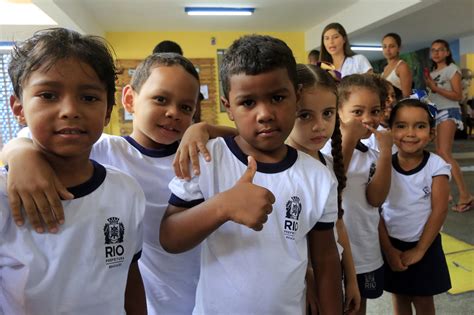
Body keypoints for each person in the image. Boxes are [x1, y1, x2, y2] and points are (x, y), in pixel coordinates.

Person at [1, 52, 237, 314]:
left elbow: (245, 137)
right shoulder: (106, 149)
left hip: (203, 296)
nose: (173, 113)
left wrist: (203, 129)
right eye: (160, 99)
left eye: (186, 108)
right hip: (144, 298)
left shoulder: (198, 153)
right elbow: (26, 136)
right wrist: (20, 154)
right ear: (129, 99)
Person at [160, 34, 343, 314]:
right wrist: (223, 206)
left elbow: (326, 259)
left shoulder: (318, 177)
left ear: (296, 97)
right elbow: (170, 237)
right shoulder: (207, 158)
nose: (265, 114)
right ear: (228, 107)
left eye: (278, 97)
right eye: (248, 102)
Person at [0, 28, 146, 314]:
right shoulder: (5, 196)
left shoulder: (126, 192)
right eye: (48, 95)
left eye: (89, 98)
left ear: (107, 112)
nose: (69, 110)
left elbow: (129, 275)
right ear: (18, 108)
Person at [286, 64, 361, 314]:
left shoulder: (327, 165)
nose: (319, 126)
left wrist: (351, 277)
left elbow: (338, 224)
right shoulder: (275, 168)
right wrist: (307, 277)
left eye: (328, 113)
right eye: (305, 115)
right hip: (295, 284)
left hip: (330, 275)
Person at [322, 73, 393, 315]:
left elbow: (376, 199)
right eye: (357, 112)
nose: (367, 119)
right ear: (338, 111)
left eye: (375, 111)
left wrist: (385, 153)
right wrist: (349, 138)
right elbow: (333, 187)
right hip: (331, 250)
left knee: (358, 307)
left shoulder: (370, 155)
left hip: (364, 249)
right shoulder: (321, 150)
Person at [379, 98, 451, 315]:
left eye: (420, 126)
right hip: (392, 243)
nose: (410, 133)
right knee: (399, 297)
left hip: (425, 244)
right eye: (401, 126)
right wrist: (389, 250)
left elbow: (440, 210)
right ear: (390, 130)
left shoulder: (436, 165)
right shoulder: (383, 164)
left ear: (431, 133)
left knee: (423, 300)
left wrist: (420, 250)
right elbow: (374, 210)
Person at [424, 39, 472, 212]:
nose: (436, 53)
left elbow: (457, 95)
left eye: (440, 50)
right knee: (440, 154)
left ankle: (465, 195)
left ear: (447, 53)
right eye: (433, 50)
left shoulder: (452, 70)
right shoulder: (434, 72)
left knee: (444, 152)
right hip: (436, 112)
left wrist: (435, 88)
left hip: (449, 111)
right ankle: (447, 193)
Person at [381, 33, 413, 98]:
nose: (387, 49)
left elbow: (406, 96)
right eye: (384, 46)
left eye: (392, 46)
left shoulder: (402, 66)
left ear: (398, 48)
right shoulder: (385, 68)